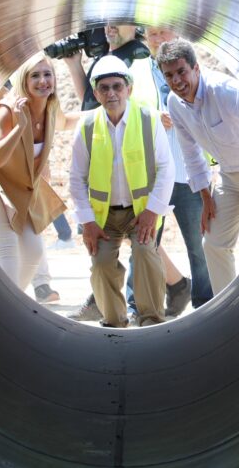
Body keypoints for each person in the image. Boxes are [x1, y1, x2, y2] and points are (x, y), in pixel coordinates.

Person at [158, 38, 239, 294]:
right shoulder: (174, 104)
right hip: (229, 177)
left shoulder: (223, 90)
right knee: (213, 243)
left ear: (196, 68)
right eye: (169, 75)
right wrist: (205, 196)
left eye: (181, 72)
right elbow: (190, 152)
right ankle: (229, 305)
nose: (176, 81)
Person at [69, 56, 174, 327]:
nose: (111, 93)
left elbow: (166, 168)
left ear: (129, 89)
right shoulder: (87, 126)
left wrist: (152, 210)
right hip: (103, 217)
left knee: (145, 254)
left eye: (117, 86)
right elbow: (77, 178)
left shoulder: (149, 120)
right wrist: (88, 221)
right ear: (96, 94)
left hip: (141, 212)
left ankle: (152, 319)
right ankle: (114, 322)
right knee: (101, 263)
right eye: (104, 88)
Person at [0, 53, 81, 296]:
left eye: (47, 74)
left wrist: (105, 112)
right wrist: (20, 127)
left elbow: (66, 123)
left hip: (18, 186)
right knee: (7, 244)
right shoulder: (7, 110)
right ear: (24, 80)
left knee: (33, 251)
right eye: (35, 75)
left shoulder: (50, 108)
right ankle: (5, 306)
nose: (43, 81)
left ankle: (11, 302)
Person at [145, 26, 212, 314]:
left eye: (163, 31)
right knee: (144, 245)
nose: (158, 39)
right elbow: (121, 108)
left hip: (187, 173)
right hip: (152, 175)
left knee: (200, 245)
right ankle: (142, 305)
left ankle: (206, 304)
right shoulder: (135, 70)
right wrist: (151, 116)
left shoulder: (191, 69)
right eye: (152, 33)